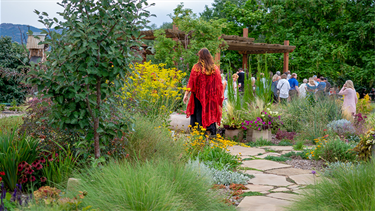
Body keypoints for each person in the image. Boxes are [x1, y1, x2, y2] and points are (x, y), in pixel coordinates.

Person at [184, 48, 224, 136]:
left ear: (200, 56)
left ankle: (199, 135)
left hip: (198, 98)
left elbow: (191, 83)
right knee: (209, 113)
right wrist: (218, 96)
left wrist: (186, 94)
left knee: (198, 113)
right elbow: (219, 85)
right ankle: (208, 134)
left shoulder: (196, 68)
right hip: (210, 98)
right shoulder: (214, 68)